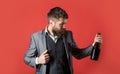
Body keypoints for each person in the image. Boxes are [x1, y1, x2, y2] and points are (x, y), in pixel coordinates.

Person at [24, 7, 103, 74]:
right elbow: (27, 58)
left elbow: (78, 54)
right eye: (61, 24)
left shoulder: (68, 34)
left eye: (65, 24)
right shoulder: (36, 37)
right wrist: (38, 60)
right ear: (51, 22)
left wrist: (94, 45)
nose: (64, 27)